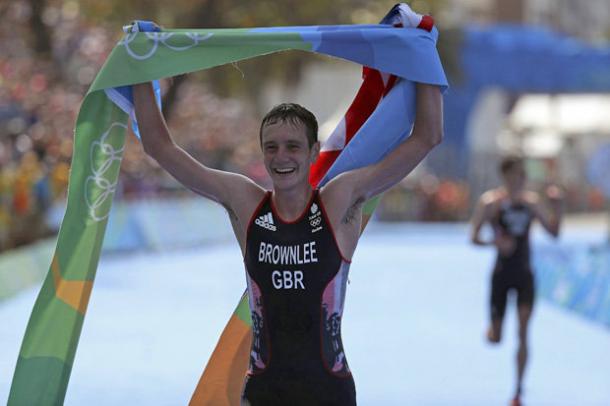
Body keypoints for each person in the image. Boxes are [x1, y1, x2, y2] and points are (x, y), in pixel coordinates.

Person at [133, 78, 442, 404]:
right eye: (271, 147)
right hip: (265, 392)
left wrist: (424, 59)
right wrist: (142, 65)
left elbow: (428, 137)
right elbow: (158, 146)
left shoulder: (340, 200)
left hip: (328, 392)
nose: (281, 157)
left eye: (293, 146)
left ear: (312, 152)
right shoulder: (246, 202)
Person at [470, 156, 563, 406]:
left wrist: (558, 208)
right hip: (501, 275)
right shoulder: (491, 203)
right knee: (497, 338)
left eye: (523, 174)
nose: (521, 179)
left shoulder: (531, 203)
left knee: (523, 332)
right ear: (506, 175)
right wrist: (495, 243)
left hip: (524, 275)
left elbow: (554, 233)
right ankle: (492, 328)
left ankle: (518, 391)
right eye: (516, 174)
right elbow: (474, 237)